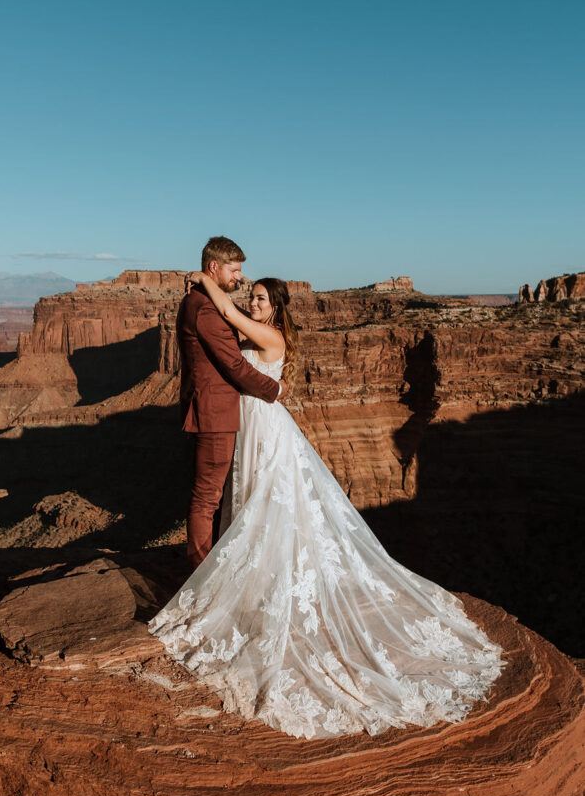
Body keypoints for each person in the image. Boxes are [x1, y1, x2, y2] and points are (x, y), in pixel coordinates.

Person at [149, 274, 505, 739]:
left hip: (267, 434)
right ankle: (258, 584)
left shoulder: (269, 334)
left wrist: (203, 279)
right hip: (250, 430)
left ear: (274, 308)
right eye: (250, 296)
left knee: (267, 504)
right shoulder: (255, 331)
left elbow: (229, 317)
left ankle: (268, 590)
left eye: (258, 298)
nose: (250, 303)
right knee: (254, 507)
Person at [175, 236, 284, 569]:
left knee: (219, 498)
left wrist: (203, 279)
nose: (240, 278)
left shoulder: (202, 301)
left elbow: (232, 312)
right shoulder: (206, 310)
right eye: (234, 271)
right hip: (215, 415)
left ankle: (218, 564)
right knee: (208, 498)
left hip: (221, 413)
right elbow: (234, 366)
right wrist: (275, 390)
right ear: (214, 267)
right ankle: (200, 573)